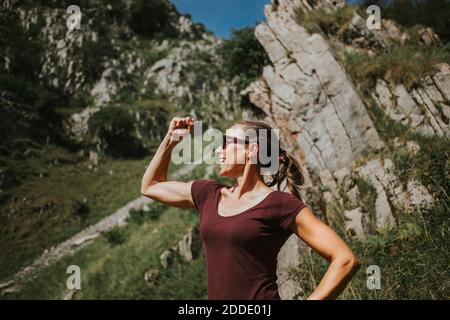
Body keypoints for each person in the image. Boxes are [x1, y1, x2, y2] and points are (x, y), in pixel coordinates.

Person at [140, 116, 361, 300]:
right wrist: (170, 140)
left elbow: (345, 260)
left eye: (227, 142)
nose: (220, 150)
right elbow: (151, 186)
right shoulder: (208, 193)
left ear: (251, 149)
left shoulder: (279, 204)